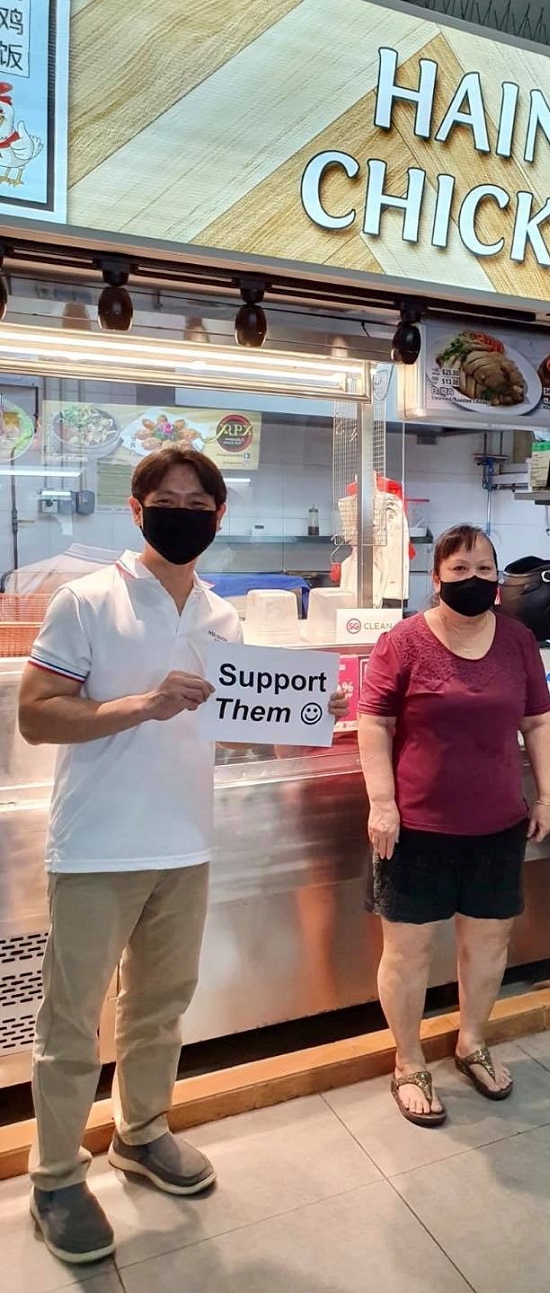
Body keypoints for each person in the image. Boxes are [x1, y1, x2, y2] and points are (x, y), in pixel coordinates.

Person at [18, 445, 347, 1266]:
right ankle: (55, 1175)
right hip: (95, 846)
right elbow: (37, 713)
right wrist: (142, 702)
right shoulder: (85, 601)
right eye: (167, 498)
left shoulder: (219, 616)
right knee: (70, 1021)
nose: (183, 512)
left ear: (219, 516)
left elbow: (219, 727)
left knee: (160, 1005)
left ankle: (142, 1131)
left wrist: (299, 715)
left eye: (199, 503)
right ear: (136, 509)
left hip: (185, 841)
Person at [357, 524, 550, 1127]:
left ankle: (472, 1041)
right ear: (437, 577)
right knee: (409, 950)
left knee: (489, 943)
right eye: (461, 569)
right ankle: (409, 1060)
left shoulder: (518, 640)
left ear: (498, 578)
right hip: (416, 825)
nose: (474, 579)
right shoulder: (405, 642)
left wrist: (546, 795)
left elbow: (539, 720)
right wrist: (382, 802)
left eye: (484, 569)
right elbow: (374, 722)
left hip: (497, 822)